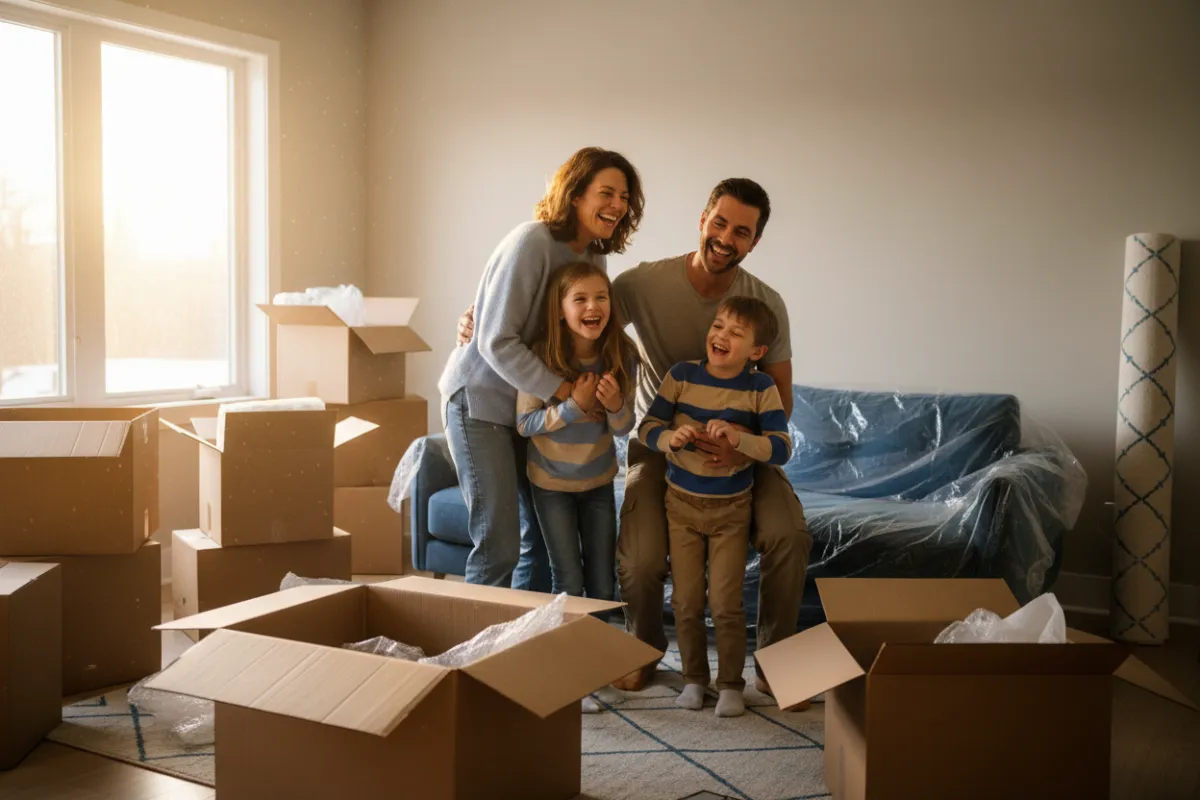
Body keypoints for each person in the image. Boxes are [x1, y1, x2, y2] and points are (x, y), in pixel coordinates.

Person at [456, 178, 811, 705]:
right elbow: (575, 304)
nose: (725, 238)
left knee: (789, 533)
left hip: (741, 453)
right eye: (719, 223)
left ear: (753, 242)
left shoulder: (766, 304)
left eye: (741, 232)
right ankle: (643, 650)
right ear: (702, 219)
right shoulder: (644, 285)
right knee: (640, 559)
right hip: (661, 443)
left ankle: (775, 661)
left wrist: (740, 445)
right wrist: (478, 317)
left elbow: (780, 403)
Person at [438, 147, 644, 592]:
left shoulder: (594, 257)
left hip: (531, 408)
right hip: (482, 403)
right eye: (606, 193)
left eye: (624, 197)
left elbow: (576, 331)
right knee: (499, 545)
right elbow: (494, 340)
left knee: (537, 541)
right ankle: (469, 654)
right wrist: (568, 392)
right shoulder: (531, 241)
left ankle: (523, 650)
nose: (617, 205)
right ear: (574, 195)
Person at [638, 297, 792, 718]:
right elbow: (647, 427)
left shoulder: (760, 388)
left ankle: (730, 684)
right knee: (686, 601)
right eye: (718, 325)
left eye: (735, 333)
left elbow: (781, 448)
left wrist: (740, 440)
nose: (720, 336)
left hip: (731, 510)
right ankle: (693, 679)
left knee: (725, 602)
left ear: (756, 352)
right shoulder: (682, 375)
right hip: (681, 506)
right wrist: (672, 438)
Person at [515, 261, 638, 603]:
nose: (592, 306)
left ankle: (599, 653)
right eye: (580, 298)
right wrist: (574, 407)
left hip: (598, 482)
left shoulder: (622, 356)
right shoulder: (538, 358)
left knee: (602, 583)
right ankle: (568, 652)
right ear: (560, 310)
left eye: (601, 297)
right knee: (567, 580)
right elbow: (525, 424)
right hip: (551, 486)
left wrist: (614, 406)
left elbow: (624, 427)